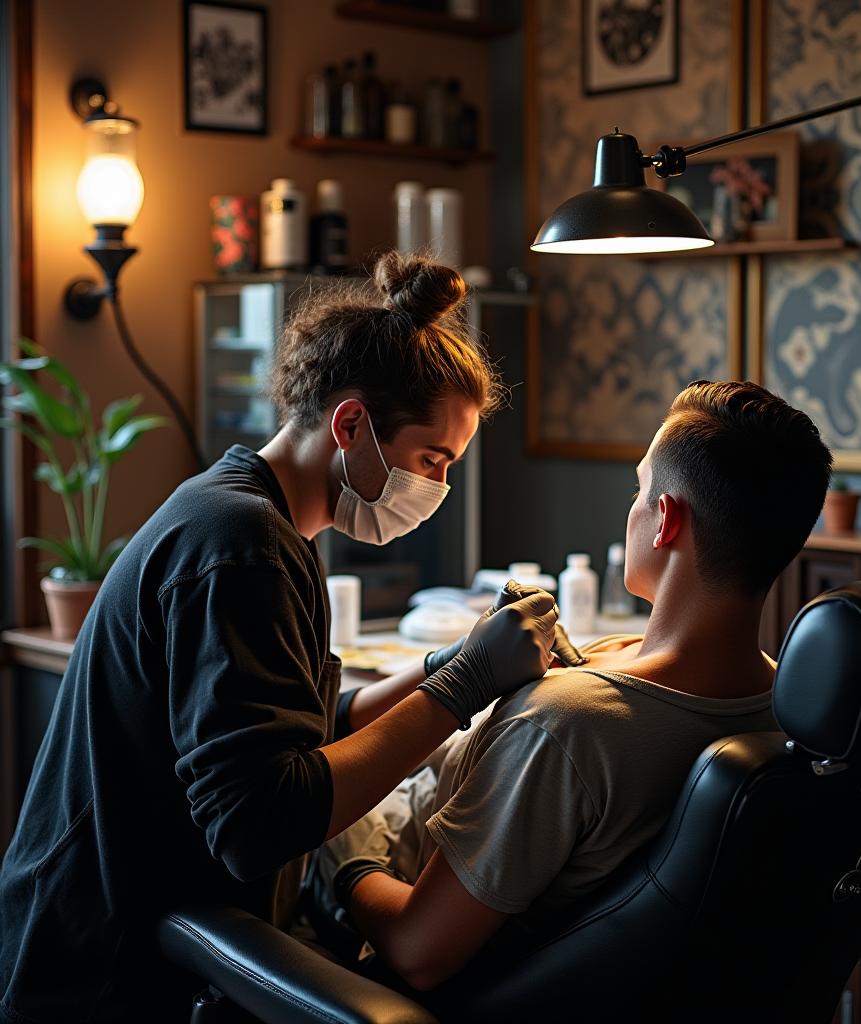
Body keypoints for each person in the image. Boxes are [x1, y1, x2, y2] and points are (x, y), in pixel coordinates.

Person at [0, 253, 562, 1024]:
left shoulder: (257, 522)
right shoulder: (240, 546)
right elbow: (262, 820)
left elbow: (297, 730)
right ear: (352, 423)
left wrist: (450, 664)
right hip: (107, 970)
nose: (437, 489)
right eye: (434, 461)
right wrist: (458, 691)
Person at [311, 379, 834, 992]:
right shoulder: (783, 711)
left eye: (639, 492)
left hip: (378, 937)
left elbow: (420, 951)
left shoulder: (562, 726)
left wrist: (350, 861)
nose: (633, 509)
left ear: (665, 520)